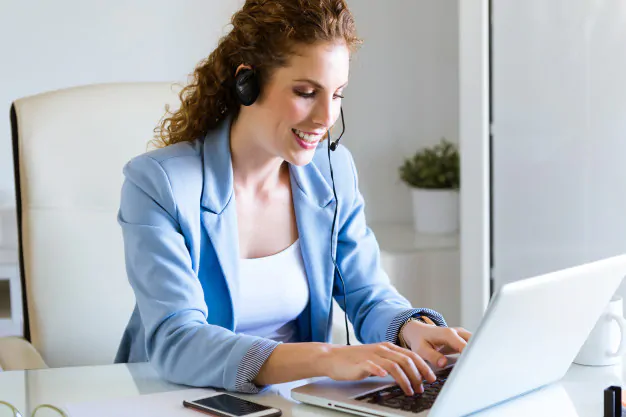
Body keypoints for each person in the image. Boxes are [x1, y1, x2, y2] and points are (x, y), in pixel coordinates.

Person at [114, 0, 471, 397]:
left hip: (287, 402)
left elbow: (366, 293)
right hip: (175, 399)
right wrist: (326, 357)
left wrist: (411, 327)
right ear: (247, 83)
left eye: (337, 95)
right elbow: (177, 341)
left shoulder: (331, 174)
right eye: (306, 92)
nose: (325, 118)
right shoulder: (158, 183)